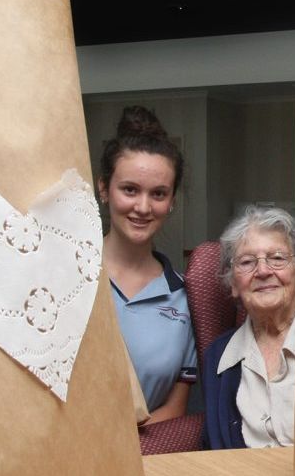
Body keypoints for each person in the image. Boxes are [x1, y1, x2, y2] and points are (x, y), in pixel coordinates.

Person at [98, 106, 197, 424]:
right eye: (130, 190)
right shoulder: (69, 275)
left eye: (158, 194)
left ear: (172, 202)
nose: (143, 207)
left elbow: (174, 410)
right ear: (104, 189)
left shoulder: (186, 297)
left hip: (146, 459)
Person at [202, 205, 295, 449]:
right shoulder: (217, 358)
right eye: (247, 262)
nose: (263, 271)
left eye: (277, 258)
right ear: (233, 283)